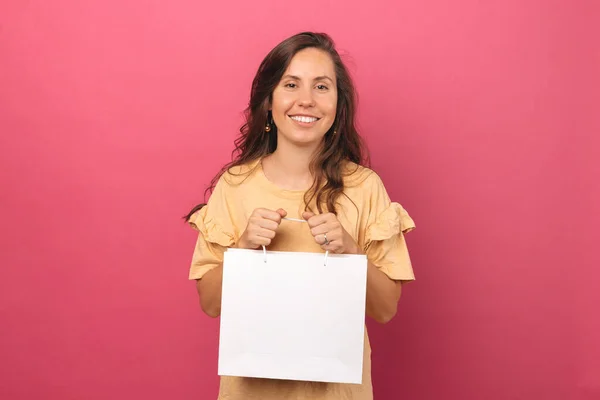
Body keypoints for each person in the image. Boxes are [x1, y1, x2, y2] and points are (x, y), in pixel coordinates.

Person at [184, 31, 416, 400]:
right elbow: (210, 304)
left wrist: (351, 251)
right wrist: (243, 248)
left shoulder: (365, 187)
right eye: (291, 84)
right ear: (270, 101)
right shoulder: (235, 185)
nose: (306, 100)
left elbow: (385, 309)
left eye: (322, 87)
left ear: (338, 105)